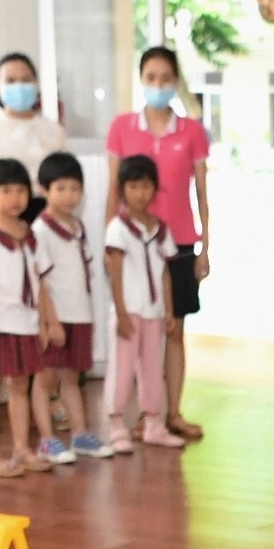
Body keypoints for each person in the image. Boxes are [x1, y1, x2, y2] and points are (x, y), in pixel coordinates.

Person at [104, 47, 209, 441]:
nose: (158, 84)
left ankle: (172, 414)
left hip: (178, 241)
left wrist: (205, 245)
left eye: (166, 78)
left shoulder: (192, 132)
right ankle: (137, 417)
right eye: (151, 77)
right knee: (134, 332)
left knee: (173, 331)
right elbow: (114, 190)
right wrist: (106, 238)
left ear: (176, 81)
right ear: (141, 78)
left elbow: (201, 191)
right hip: (131, 243)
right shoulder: (121, 127)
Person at [0, 157, 49, 476]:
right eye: (6, 191)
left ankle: (21, 449)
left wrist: (44, 321)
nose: (15, 198)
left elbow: (40, 281)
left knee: (20, 389)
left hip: (24, 324)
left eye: (20, 191)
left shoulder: (29, 234)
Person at [32, 151, 109, 463]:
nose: (69, 196)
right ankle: (47, 440)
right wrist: (50, 322)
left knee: (71, 378)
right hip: (56, 319)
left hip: (79, 315)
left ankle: (79, 435)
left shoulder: (78, 227)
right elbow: (39, 281)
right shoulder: (41, 230)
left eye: (75, 189)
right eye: (61, 188)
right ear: (44, 189)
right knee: (45, 379)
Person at [103, 154, 181, 451]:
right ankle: (116, 424)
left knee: (152, 367)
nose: (141, 193)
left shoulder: (161, 228)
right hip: (130, 311)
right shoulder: (118, 228)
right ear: (123, 189)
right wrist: (121, 312)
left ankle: (153, 423)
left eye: (147, 186)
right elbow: (116, 272)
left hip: (154, 312)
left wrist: (169, 310)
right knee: (122, 368)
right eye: (134, 187)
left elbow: (164, 274)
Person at [0, 52, 66, 214]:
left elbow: (64, 179)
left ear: (36, 84)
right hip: (2, 217)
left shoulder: (54, 130)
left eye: (26, 80)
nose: (19, 86)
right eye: (10, 81)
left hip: (46, 218)